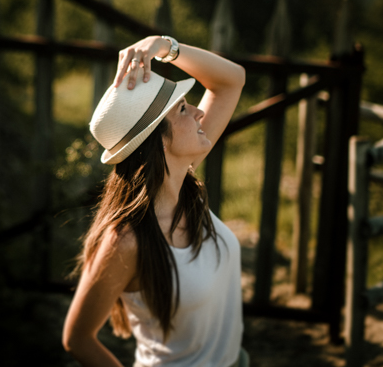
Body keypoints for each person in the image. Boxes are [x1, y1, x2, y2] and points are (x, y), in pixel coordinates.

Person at [63, 35, 248, 367]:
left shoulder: (186, 185)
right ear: (158, 141)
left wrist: (164, 46)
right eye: (181, 108)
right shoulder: (126, 241)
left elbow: (231, 80)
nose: (196, 112)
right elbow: (77, 338)